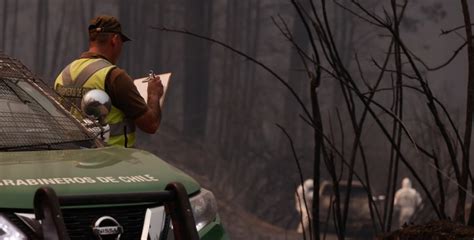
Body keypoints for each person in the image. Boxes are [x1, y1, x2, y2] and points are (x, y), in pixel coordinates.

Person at [55, 15, 162, 148]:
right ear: (115, 40)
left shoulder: (63, 74)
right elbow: (151, 125)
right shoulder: (114, 77)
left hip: (72, 160)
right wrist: (154, 95)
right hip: (112, 162)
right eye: (121, 43)